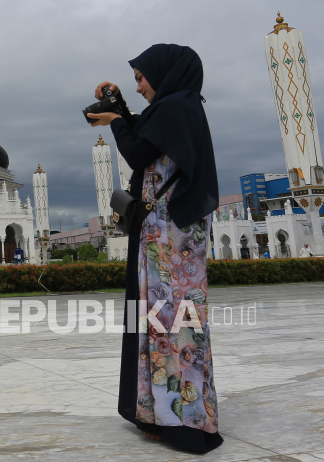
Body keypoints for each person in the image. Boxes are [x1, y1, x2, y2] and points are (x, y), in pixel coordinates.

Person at [88, 44, 223, 452]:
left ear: (163, 75)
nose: (141, 87)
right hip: (166, 235)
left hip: (170, 238)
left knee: (172, 324)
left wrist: (115, 122)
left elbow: (135, 151)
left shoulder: (177, 108)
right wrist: (120, 107)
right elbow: (148, 139)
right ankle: (159, 413)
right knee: (159, 322)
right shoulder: (178, 108)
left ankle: (185, 422)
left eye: (142, 79)